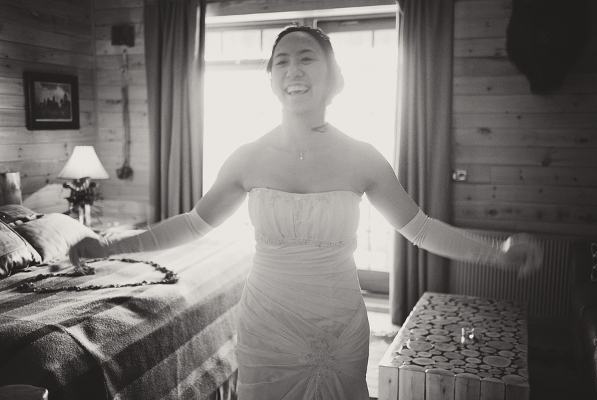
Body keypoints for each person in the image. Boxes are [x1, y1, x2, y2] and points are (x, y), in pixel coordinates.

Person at [69, 25, 542, 400]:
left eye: (307, 58)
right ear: (271, 80)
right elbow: (194, 223)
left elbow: (419, 228)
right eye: (281, 61)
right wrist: (112, 246)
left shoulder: (362, 157)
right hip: (265, 321)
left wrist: (496, 253)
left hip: (337, 321)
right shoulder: (247, 157)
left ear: (332, 76)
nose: (293, 69)